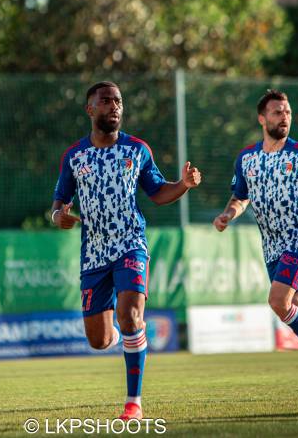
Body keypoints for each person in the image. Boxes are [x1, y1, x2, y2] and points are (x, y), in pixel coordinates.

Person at [51, 81, 201, 420]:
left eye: (118, 101)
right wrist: (58, 216)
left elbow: (158, 193)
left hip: (130, 244)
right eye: (105, 101)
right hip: (93, 253)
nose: (114, 106)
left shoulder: (137, 149)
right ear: (90, 109)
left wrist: (183, 185)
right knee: (99, 340)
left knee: (131, 315)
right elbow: (59, 202)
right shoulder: (74, 156)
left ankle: (133, 403)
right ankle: (124, 331)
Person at [212, 89, 298, 400]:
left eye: (287, 112)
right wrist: (227, 214)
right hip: (272, 246)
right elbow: (240, 197)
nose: (284, 117)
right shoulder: (246, 158)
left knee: (278, 301)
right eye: (277, 112)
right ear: (262, 119)